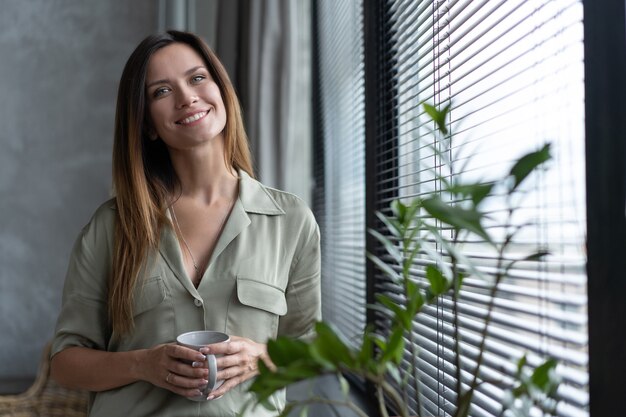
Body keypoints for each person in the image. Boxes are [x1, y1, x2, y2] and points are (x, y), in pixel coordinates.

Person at [49, 30, 321, 417]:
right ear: (147, 125)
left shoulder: (291, 221)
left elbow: (312, 349)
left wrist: (261, 357)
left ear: (221, 89)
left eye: (197, 78)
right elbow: (65, 363)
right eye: (161, 91)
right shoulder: (111, 227)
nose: (186, 97)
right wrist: (142, 364)